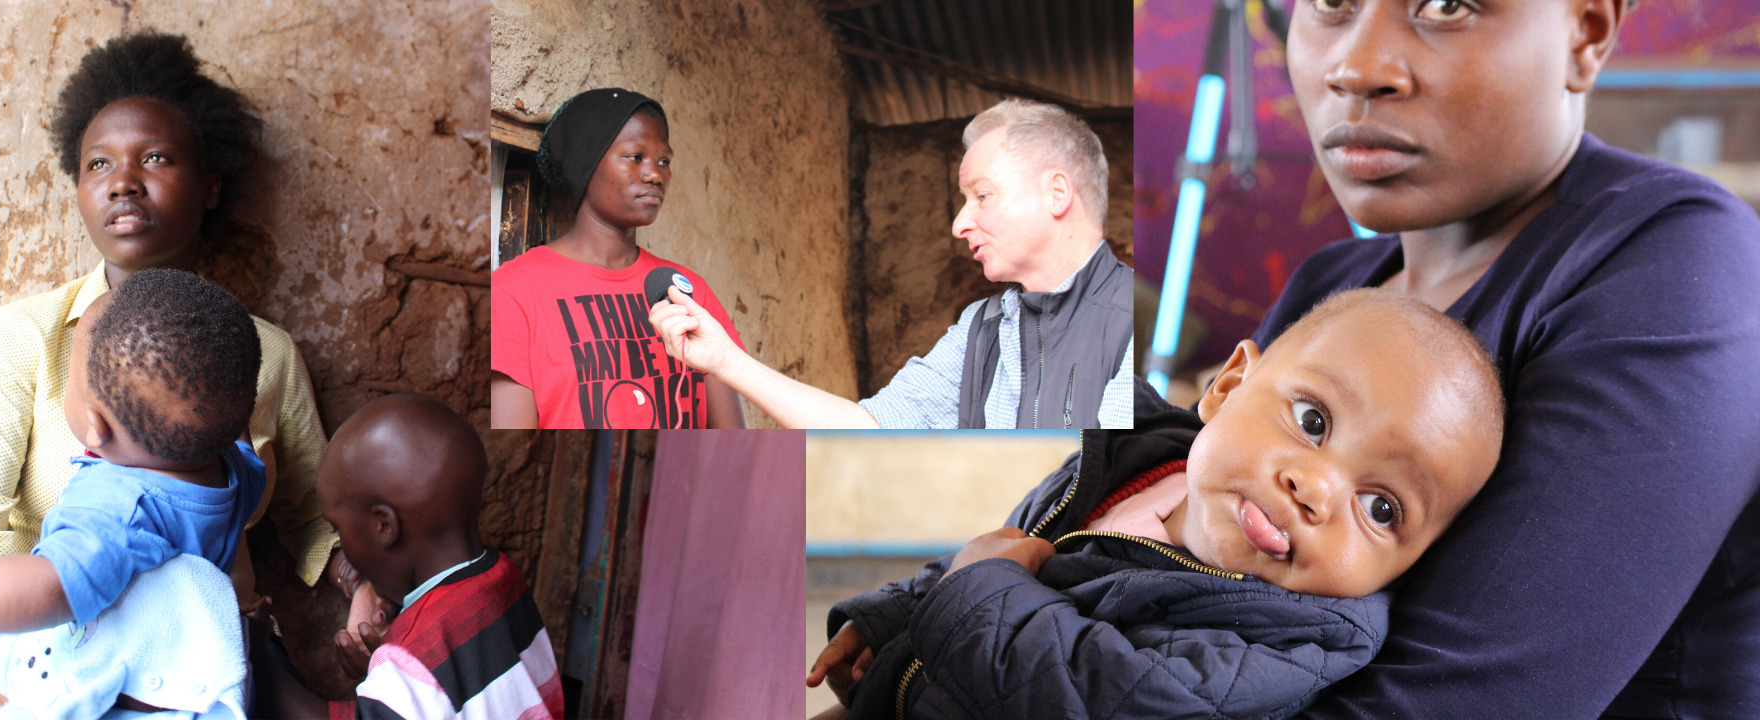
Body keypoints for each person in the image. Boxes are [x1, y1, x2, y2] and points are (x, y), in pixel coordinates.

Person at [1257, 1, 1760, 717]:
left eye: (1447, 6)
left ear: (1587, 32)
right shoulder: (1329, 285)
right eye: (1331, 4)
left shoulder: (1680, 263)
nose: (1356, 68)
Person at [0, 32, 386, 669]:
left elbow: (312, 514)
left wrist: (364, 591)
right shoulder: (23, 337)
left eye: (155, 158)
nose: (123, 183)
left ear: (210, 186)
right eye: (98, 164)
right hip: (50, 663)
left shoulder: (265, 355)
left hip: (209, 665)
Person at [807, 289, 1506, 719]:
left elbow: (1096, 698)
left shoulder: (1296, 637)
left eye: (1381, 509)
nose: (1317, 488)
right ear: (1229, 387)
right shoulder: (1135, 457)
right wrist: (893, 613)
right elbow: (1008, 542)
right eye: (1314, 422)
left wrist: (973, 588)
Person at [0, 270, 263, 716]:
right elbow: (236, 430)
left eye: (71, 380)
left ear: (94, 428)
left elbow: (47, 589)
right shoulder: (232, 471)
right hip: (167, 681)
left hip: (82, 693)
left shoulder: (116, 507)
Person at [649, 98, 1133, 429]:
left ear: (1057, 193)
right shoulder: (981, 329)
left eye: (982, 195)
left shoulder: (1137, 325)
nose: (959, 223)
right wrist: (725, 360)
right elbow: (869, 427)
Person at [252, 394, 564, 720]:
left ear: (384, 525)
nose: (341, 540)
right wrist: (388, 677)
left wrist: (260, 660)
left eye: (338, 527)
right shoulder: (504, 577)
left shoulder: (414, 658)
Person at [490, 87, 747, 429]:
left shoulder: (688, 291)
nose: (655, 174)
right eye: (634, 156)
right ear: (587, 164)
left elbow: (733, 440)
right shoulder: (513, 292)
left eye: (664, 161)